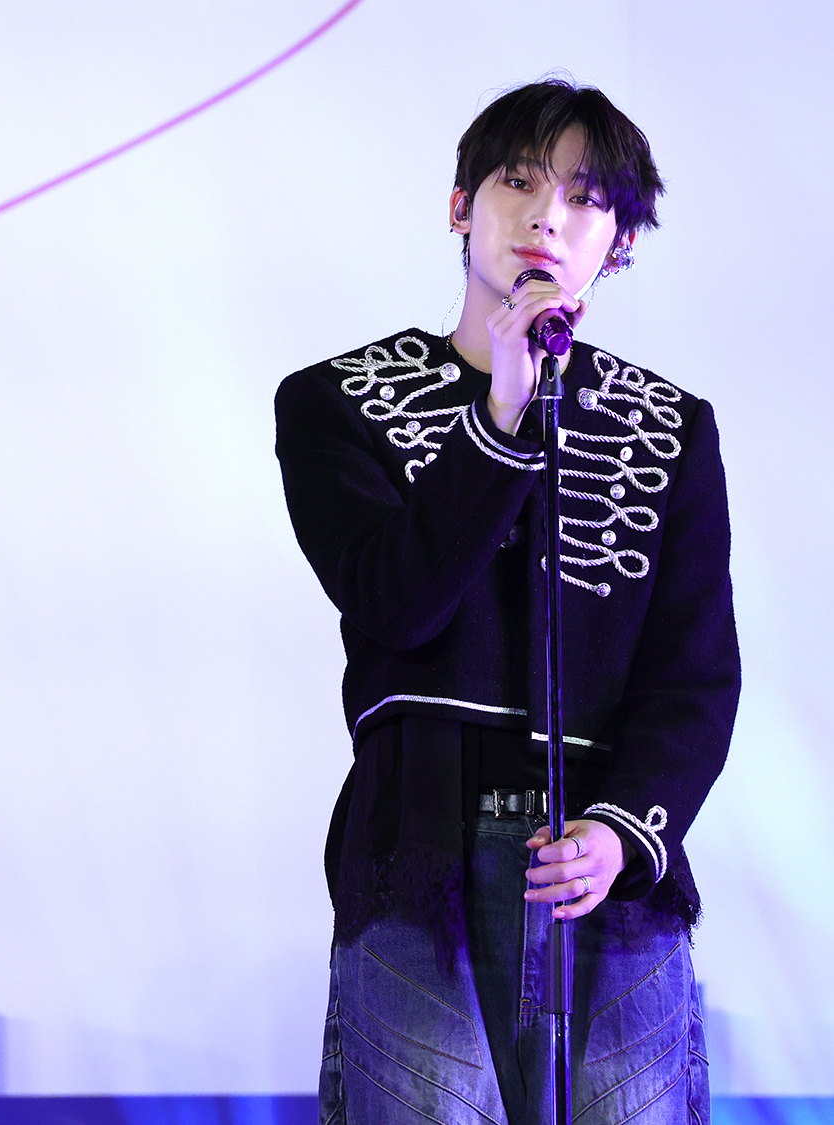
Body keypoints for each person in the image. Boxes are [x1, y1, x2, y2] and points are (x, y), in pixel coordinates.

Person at [274, 79, 738, 1123]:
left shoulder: (672, 425)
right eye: (518, 182)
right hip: (419, 853)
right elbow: (396, 603)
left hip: (611, 869)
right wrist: (500, 415)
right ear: (461, 206)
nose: (546, 217)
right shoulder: (335, 400)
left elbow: (698, 673)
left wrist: (624, 833)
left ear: (619, 240)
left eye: (584, 197)